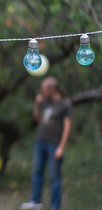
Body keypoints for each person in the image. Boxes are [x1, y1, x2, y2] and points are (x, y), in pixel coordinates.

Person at [21, 77, 72, 210]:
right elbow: (36, 118)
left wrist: (61, 147)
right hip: (40, 142)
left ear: (52, 89)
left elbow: (67, 127)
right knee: (37, 171)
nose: (42, 91)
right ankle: (35, 201)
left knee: (54, 176)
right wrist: (37, 104)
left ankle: (55, 206)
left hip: (54, 144)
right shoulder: (44, 101)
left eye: (44, 89)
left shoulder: (65, 104)